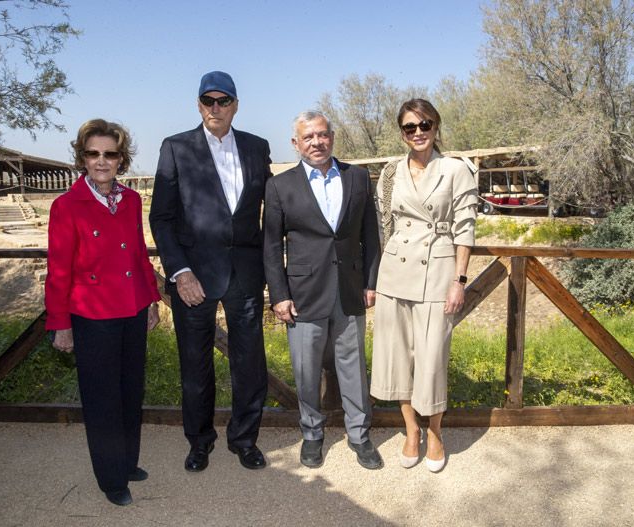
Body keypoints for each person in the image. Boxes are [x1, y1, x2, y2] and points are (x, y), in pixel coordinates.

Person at [149, 71, 271, 472]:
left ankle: (244, 439)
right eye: (209, 101)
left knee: (250, 364)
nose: (216, 108)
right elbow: (162, 218)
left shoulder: (257, 147)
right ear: (198, 104)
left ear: (236, 105)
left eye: (224, 101)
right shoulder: (176, 147)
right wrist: (180, 273)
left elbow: (271, 210)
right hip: (194, 279)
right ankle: (199, 441)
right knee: (195, 364)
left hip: (246, 275)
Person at [45, 119, 161, 506]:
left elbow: (138, 254)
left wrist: (150, 301)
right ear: (82, 157)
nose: (101, 161)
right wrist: (60, 324)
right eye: (93, 153)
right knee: (102, 400)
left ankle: (127, 462)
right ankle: (111, 480)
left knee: (130, 391)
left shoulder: (130, 201)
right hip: (92, 316)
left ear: (120, 159)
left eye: (109, 154)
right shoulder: (65, 206)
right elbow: (59, 270)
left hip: (130, 307)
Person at [263, 111, 382, 469]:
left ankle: (359, 435)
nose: (317, 142)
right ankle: (312, 434)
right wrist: (279, 295)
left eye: (322, 135)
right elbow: (270, 246)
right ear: (296, 144)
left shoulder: (358, 177)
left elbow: (371, 236)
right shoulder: (280, 186)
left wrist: (370, 283)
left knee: (353, 367)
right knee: (306, 369)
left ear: (332, 137)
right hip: (302, 294)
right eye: (308, 137)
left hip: (349, 290)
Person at [370, 99, 478, 472]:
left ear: (436, 127)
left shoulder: (455, 169)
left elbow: (465, 227)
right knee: (396, 357)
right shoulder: (390, 172)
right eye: (409, 127)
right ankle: (411, 431)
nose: (418, 133)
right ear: (401, 132)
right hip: (395, 273)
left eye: (424, 125)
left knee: (431, 360)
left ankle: (435, 432)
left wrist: (458, 280)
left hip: (439, 271)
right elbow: (384, 224)